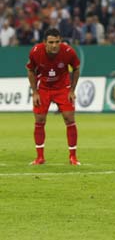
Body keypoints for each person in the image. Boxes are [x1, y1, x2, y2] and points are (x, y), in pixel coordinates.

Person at [26, 28, 81, 165]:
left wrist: (72, 90)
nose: (54, 45)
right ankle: (40, 157)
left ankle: (73, 157)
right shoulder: (35, 51)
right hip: (43, 88)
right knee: (39, 119)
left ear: (60, 41)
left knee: (69, 118)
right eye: (51, 42)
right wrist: (35, 92)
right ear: (44, 42)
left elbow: (76, 69)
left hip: (63, 88)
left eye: (57, 42)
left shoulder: (68, 51)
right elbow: (30, 70)